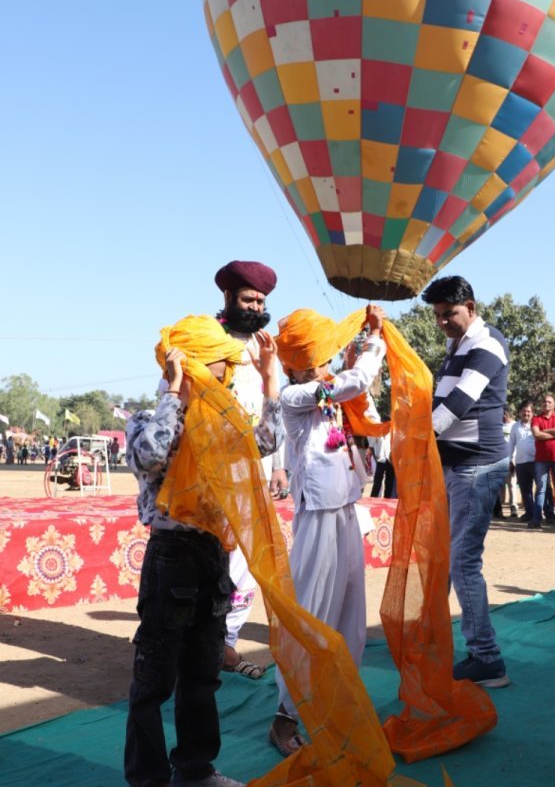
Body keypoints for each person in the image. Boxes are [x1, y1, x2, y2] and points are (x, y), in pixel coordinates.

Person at [124, 314, 277, 787]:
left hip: (211, 556)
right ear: (187, 366)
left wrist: (271, 383)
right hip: (171, 557)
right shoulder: (148, 421)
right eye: (219, 365)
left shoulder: (223, 426)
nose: (227, 374)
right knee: (153, 683)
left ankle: (195, 769)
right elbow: (151, 456)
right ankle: (150, 780)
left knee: (201, 674)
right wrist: (174, 394)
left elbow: (265, 444)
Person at [268, 304, 387, 756]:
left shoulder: (331, 394)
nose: (328, 364)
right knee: (312, 614)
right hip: (317, 516)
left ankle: (339, 699)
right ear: (299, 364)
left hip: (346, 512)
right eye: (320, 358)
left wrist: (363, 350)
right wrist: (373, 339)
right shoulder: (295, 398)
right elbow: (350, 382)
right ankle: (285, 716)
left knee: (350, 617)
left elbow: (359, 396)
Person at [421, 275, 510, 688]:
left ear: (470, 306)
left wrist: (415, 439)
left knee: (462, 562)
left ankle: (486, 657)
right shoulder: (457, 344)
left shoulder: (485, 344)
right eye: (438, 316)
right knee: (446, 556)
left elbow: (457, 405)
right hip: (456, 466)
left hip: (476, 466)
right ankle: (437, 638)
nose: (442, 322)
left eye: (449, 314)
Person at [214, 259, 285, 679]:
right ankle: (198, 648)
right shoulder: (204, 342)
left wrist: (278, 467)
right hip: (211, 473)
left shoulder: (265, 348)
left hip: (256, 472)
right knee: (209, 560)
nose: (256, 307)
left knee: (244, 564)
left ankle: (226, 644)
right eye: (248, 299)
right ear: (228, 298)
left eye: (261, 300)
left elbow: (275, 411)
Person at [529, 395, 555, 528]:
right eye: (544, 401)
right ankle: (537, 519)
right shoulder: (536, 418)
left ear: (553, 405)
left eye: (549, 402)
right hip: (541, 459)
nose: (546, 403)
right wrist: (554, 434)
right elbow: (536, 434)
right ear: (541, 404)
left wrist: (544, 431)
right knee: (541, 489)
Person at [508, 402, 536, 521]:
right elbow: (511, 444)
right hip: (520, 463)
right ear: (519, 412)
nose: (526, 413)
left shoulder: (537, 423)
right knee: (525, 490)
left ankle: (545, 513)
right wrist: (510, 460)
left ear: (532, 413)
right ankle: (529, 513)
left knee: (542, 489)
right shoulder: (515, 426)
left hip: (537, 461)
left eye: (529, 411)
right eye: (524, 411)